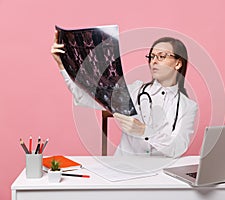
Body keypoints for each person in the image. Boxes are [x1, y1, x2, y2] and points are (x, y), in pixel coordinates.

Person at [51, 31, 198, 158]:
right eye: (152, 56)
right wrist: (63, 66)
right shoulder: (133, 91)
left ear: (178, 63)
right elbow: (86, 97)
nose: (154, 61)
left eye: (161, 56)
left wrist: (144, 131)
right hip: (125, 168)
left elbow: (178, 148)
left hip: (161, 174)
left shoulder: (188, 106)